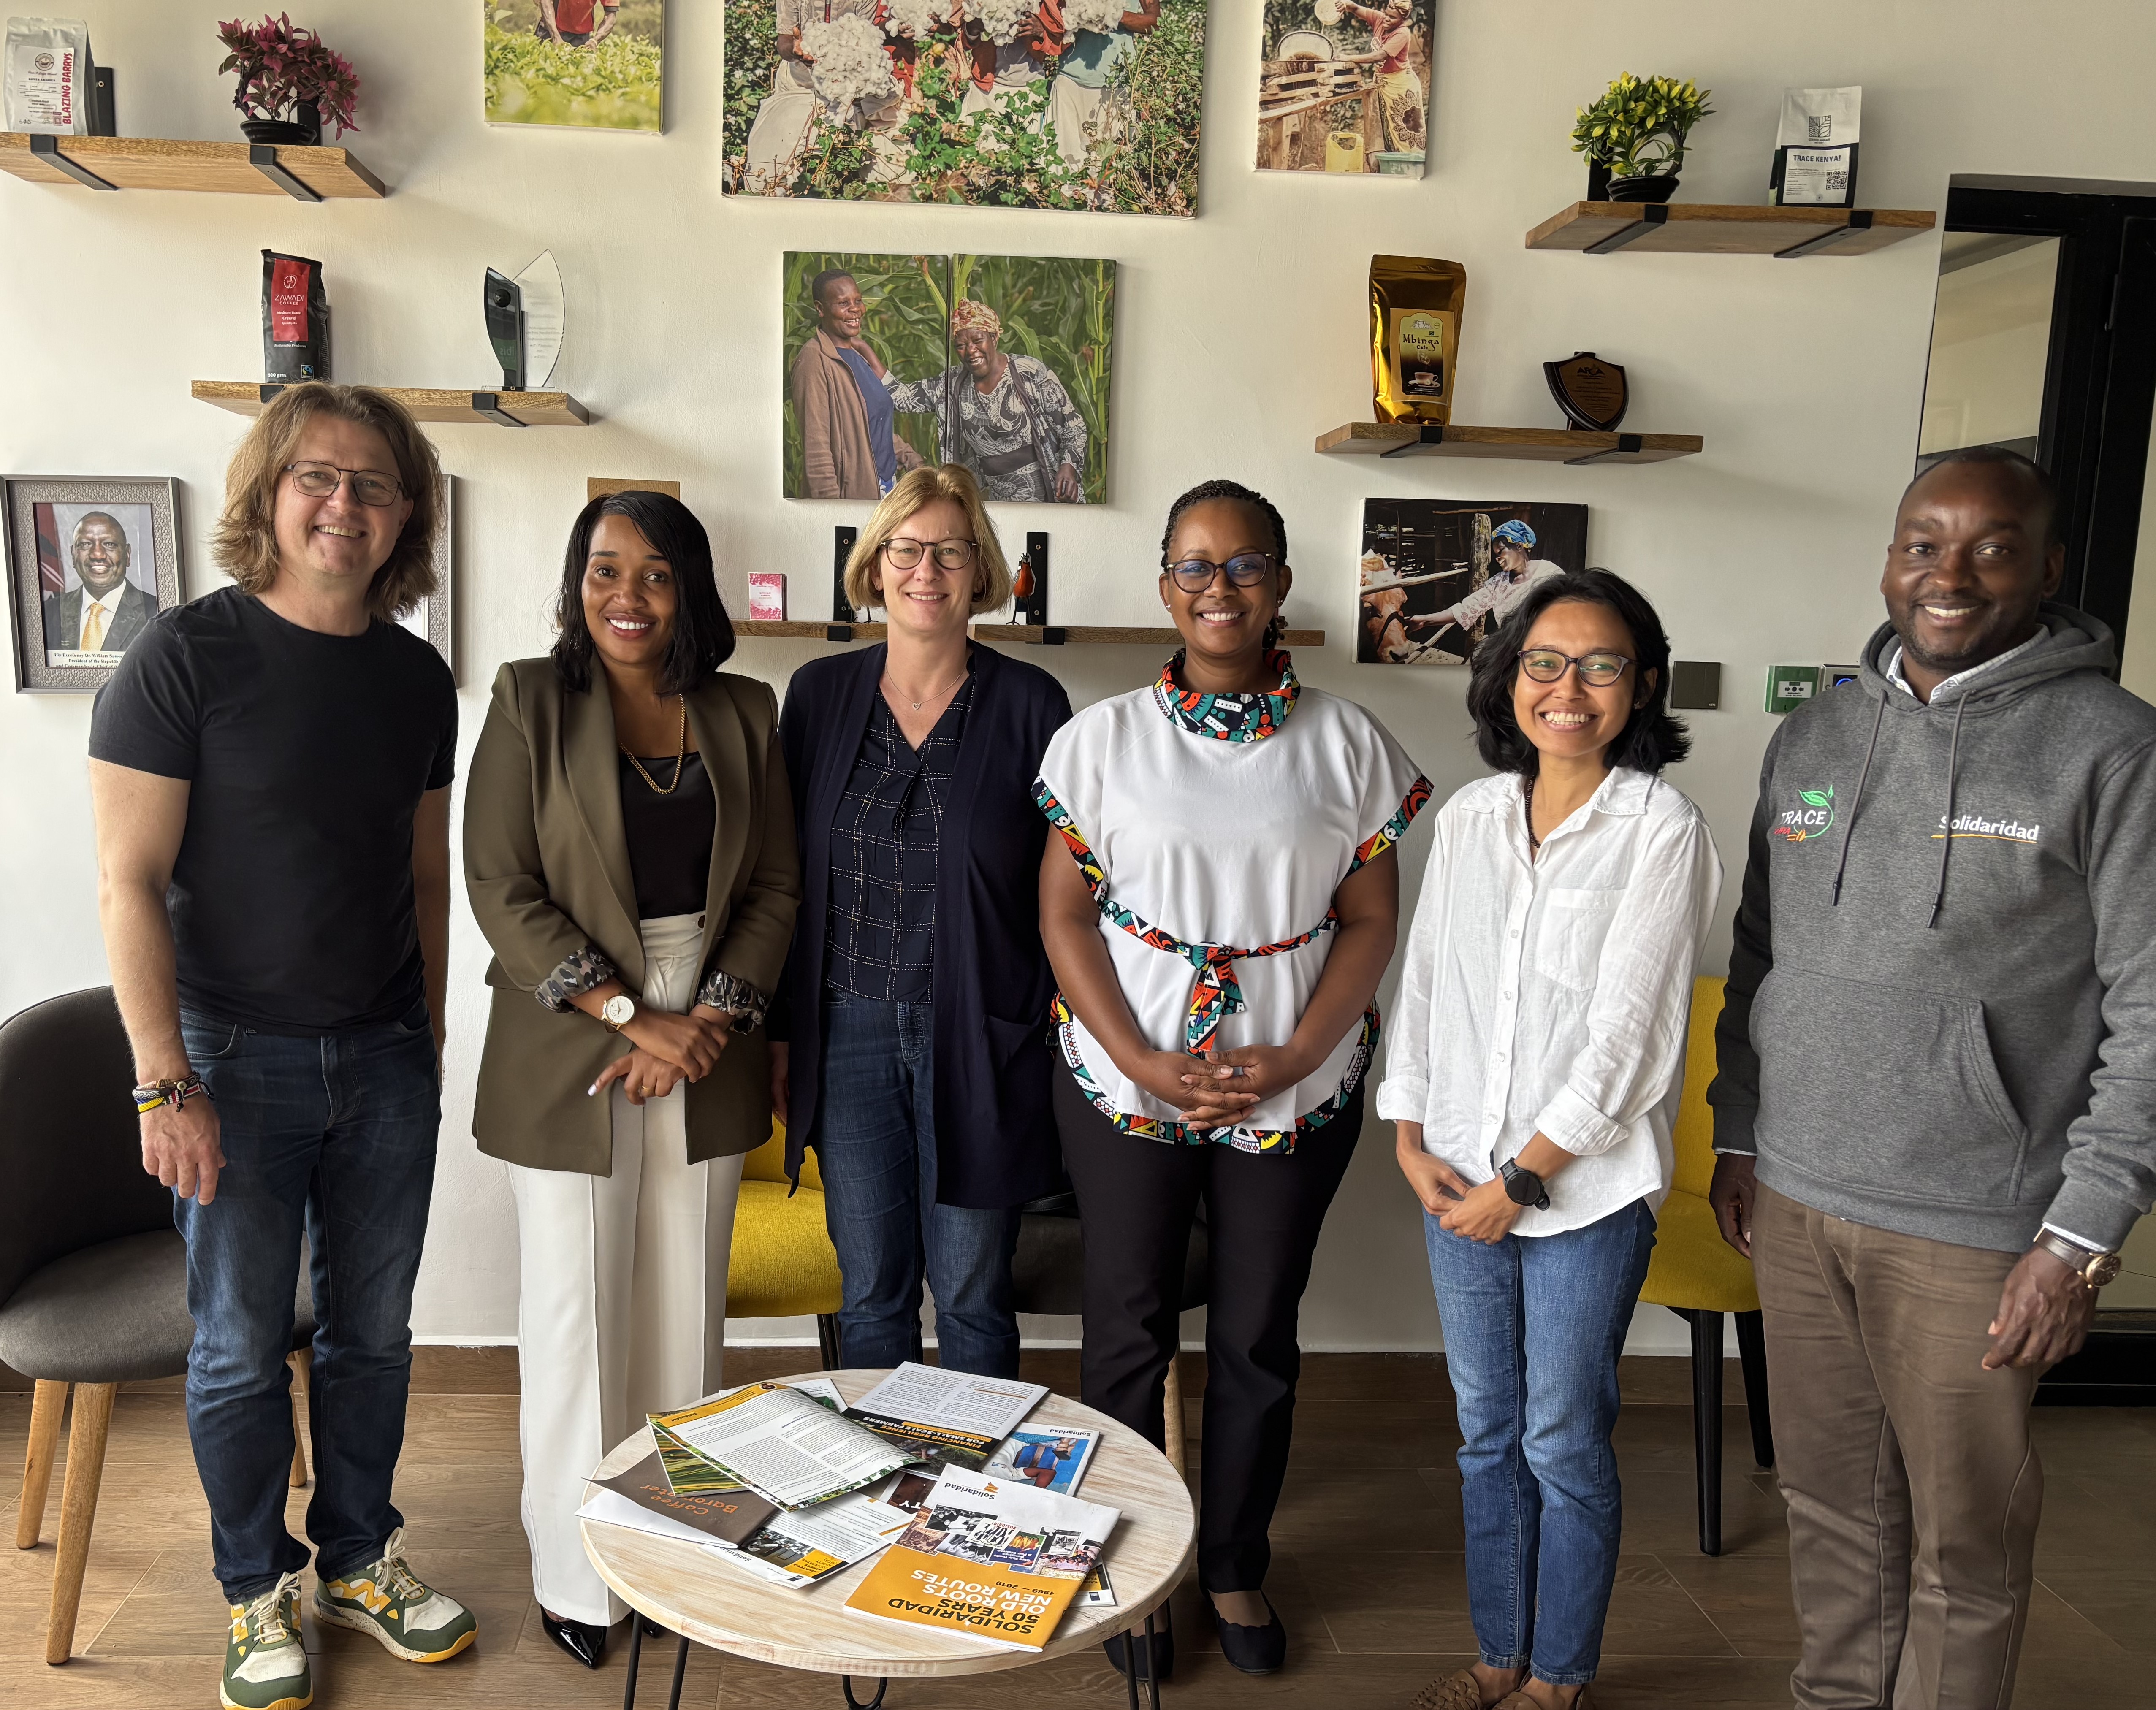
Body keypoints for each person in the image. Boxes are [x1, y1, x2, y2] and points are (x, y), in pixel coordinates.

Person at [1706, 447, 2156, 1710]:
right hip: (1795, 1206)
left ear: (2048, 566)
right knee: (1831, 1517)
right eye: (1921, 543)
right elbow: (1760, 953)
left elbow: (2151, 1010)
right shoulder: (1816, 728)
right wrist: (1739, 1133)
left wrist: (2075, 1238)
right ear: (1889, 554)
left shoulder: (2113, 751)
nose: (1947, 573)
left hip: (1976, 1229)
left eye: (1989, 546)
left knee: (1964, 1554)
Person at [87, 382, 472, 1710]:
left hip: (381, 1062)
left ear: (406, 512)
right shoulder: (181, 658)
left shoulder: (420, 679)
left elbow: (422, 877)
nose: (345, 505)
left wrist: (424, 1040)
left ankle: (360, 1555)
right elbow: (127, 884)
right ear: (268, 491)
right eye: (319, 477)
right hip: (228, 1061)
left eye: (374, 484)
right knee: (240, 1346)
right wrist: (162, 1078)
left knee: (373, 1335)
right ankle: (257, 1590)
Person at [1037, 479, 1428, 1680]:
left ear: (1281, 587)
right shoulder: (1096, 740)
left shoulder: (1350, 743)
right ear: (1163, 584)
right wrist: (1145, 1058)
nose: (1219, 587)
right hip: (1123, 1075)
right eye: (1195, 566)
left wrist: (1300, 1052)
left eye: (1244, 564)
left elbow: (1369, 918)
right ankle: (1125, 1565)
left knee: (1258, 1331)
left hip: (1294, 1084)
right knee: (1126, 1330)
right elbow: (1061, 915)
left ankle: (1232, 1561)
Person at [464, 491, 800, 1671]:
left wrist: (710, 1016)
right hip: (576, 1030)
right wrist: (627, 1015)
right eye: (605, 570)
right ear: (577, 580)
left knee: (678, 1311)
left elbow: (773, 889)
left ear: (690, 589)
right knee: (575, 1319)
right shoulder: (526, 700)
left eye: (655, 575)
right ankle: (576, 1576)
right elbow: (502, 889)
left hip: (705, 1027)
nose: (627, 595)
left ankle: (675, 1556)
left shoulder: (745, 709)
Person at [1382, 571, 1721, 1710]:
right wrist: (1409, 1133)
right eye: (1544, 661)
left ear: (1642, 685)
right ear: (1508, 676)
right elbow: (1428, 983)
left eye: (1600, 664)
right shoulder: (1472, 816)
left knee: (1562, 1437)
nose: (1567, 687)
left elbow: (1631, 1035)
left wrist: (1523, 1178)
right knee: (1486, 1432)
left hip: (1580, 1195)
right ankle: (1497, 1649)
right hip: (1457, 1178)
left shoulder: (1660, 828)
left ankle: (1558, 1674)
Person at [770, 463, 1070, 1379]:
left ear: (982, 571)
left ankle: (978, 1502)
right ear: (875, 564)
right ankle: (879, 1502)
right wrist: (783, 1036)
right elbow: (782, 880)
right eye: (906, 548)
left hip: (980, 1037)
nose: (926, 570)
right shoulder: (817, 696)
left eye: (950, 550)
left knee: (975, 1296)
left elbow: (1067, 896)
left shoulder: (1034, 706)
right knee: (872, 1292)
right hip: (846, 1028)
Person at [885, 300, 1088, 504]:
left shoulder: (1029, 372)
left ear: (994, 338)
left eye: (977, 340)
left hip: (1052, 495)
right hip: (997, 504)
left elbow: (1074, 428)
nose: (971, 350)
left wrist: (1068, 466)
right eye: (961, 346)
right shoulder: (952, 385)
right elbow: (901, 397)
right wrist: (860, 350)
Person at [791, 268, 926, 500]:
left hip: (886, 488)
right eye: (843, 303)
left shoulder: (858, 356)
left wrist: (911, 459)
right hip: (855, 494)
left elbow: (873, 425)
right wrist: (832, 511)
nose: (856, 309)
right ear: (820, 309)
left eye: (858, 300)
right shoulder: (814, 361)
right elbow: (817, 452)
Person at [743, 0, 898, 192]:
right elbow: (784, 42)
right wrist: (794, 52)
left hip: (844, 83)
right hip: (799, 82)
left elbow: (866, 37)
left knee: (843, 149)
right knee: (781, 145)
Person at [1407, 520, 1566, 648]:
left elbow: (1569, 606)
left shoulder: (1549, 572)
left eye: (1501, 551)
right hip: (1513, 647)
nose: (1497, 558)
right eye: (1495, 554)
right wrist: (1425, 620)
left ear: (1519, 546)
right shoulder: (1498, 583)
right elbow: (1466, 609)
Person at [1046, 1, 1159, 174]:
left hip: (1116, 87)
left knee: (1111, 174)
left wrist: (1112, 14)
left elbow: (1155, 23)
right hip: (1070, 83)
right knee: (1063, 170)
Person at [43, 509, 157, 655]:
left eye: (109, 544)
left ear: (127, 555)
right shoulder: (48, 613)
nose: (97, 554)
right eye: (85, 544)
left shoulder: (157, 613)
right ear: (73, 555)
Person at [1339, 0, 1425, 158]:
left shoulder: (1402, 33)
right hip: (1384, 83)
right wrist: (1345, 5)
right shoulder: (1380, 19)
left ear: (1403, 20)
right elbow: (1355, 8)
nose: (1386, 19)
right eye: (1387, 14)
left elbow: (1380, 55)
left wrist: (1348, 57)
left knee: (1407, 132)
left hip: (1401, 86)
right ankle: (1389, 165)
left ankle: (1411, 168)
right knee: (1387, 128)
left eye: (1392, 18)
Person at [535, 0, 618, 48]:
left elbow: (610, 15)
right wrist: (555, 36)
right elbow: (546, 2)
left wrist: (595, 41)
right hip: (550, 32)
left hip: (581, 37)